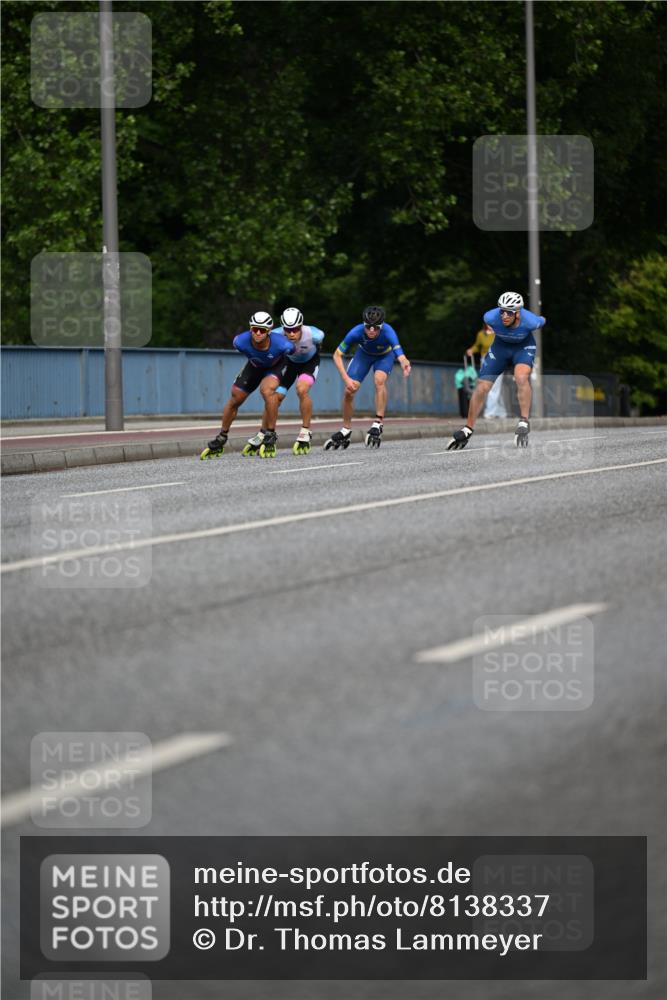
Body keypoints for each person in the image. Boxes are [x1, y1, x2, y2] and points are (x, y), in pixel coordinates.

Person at [447, 292, 545, 450]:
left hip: (523, 348)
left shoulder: (531, 321)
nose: (504, 316)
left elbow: (542, 320)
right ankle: (468, 429)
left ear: (518, 313)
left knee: (521, 377)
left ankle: (524, 421)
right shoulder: (490, 317)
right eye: (502, 311)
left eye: (509, 312)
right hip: (500, 349)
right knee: (481, 386)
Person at [199, 311, 295, 460]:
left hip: (275, 367)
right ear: (250, 329)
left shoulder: (282, 344)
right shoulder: (240, 341)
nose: (258, 333)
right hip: (254, 366)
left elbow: (294, 352)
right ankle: (222, 436)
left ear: (269, 331)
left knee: (267, 391)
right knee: (235, 398)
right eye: (254, 329)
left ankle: (270, 433)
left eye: (262, 330)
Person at [324, 305, 411, 450]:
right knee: (349, 391)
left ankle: (378, 422)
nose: (371, 330)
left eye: (376, 328)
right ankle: (346, 429)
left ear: (381, 326)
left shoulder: (388, 331)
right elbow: (337, 355)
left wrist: (404, 362)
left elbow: (399, 351)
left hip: (384, 356)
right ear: (363, 324)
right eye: (368, 327)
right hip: (363, 356)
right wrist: (346, 379)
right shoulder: (356, 332)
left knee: (379, 380)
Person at [272, 307, 325, 455]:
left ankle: (305, 431)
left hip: (309, 363)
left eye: (295, 329)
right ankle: (267, 432)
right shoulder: (275, 334)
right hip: (290, 364)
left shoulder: (315, 335)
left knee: (302, 390)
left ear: (301, 326)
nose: (291, 333)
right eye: (288, 330)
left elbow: (320, 341)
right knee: (276, 397)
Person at [466, 323, 507, 419]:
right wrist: (471, 350)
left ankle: (490, 412)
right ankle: (501, 412)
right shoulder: (481, 334)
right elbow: (477, 346)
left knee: (494, 387)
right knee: (492, 387)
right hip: (485, 361)